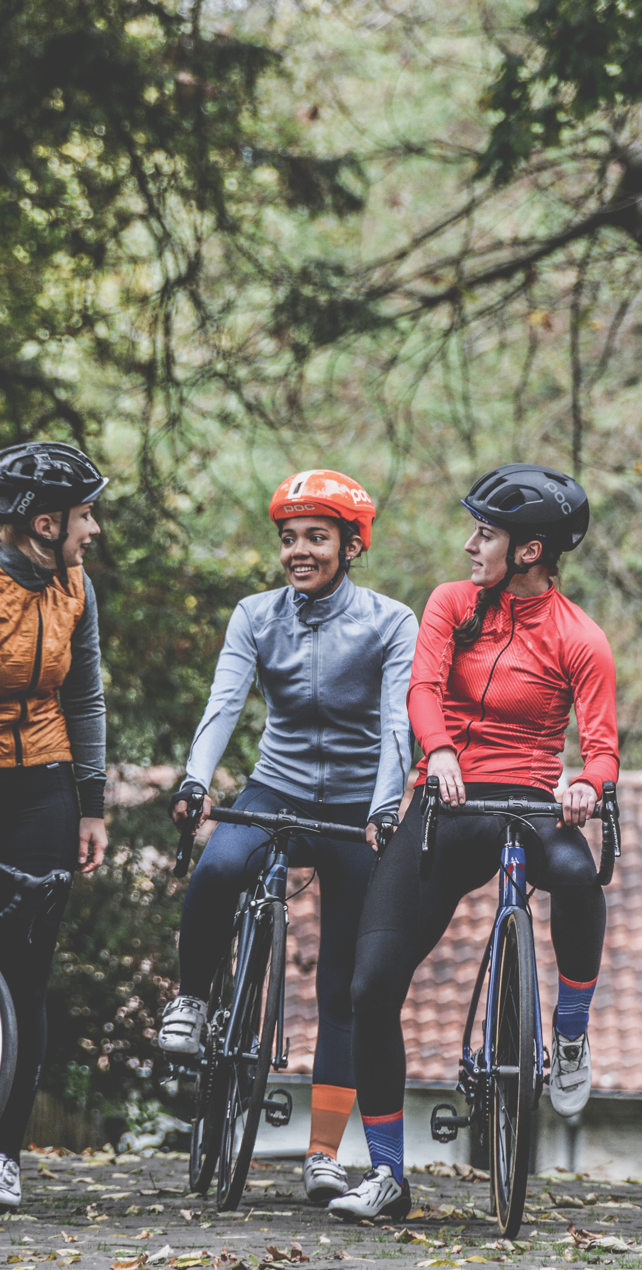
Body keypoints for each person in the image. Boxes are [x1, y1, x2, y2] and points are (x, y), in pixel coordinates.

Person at [328, 463, 619, 1220]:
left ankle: (571, 1033)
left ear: (528, 551)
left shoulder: (580, 638)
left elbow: (601, 747)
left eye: (485, 534)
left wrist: (587, 786)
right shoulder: (451, 604)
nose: (469, 545)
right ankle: (388, 1176)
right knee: (370, 987)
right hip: (447, 801)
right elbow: (422, 688)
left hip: (529, 804)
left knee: (579, 877)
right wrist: (441, 751)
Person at [161, 470, 418, 1206]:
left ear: (350, 546)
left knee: (342, 985)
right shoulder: (255, 615)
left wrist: (384, 809)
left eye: (315, 537)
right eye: (287, 538)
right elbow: (224, 702)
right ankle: (191, 1000)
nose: (298, 551)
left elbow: (397, 726)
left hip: (355, 807)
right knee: (219, 866)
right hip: (276, 788)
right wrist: (195, 780)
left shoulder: (390, 622)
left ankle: (323, 1155)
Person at [0, 441, 109, 1210]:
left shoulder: (76, 587)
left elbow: (86, 697)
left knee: (25, 971)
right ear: (44, 523)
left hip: (40, 784)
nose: (92, 529)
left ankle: (3, 1158)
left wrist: (91, 805)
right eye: (84, 515)